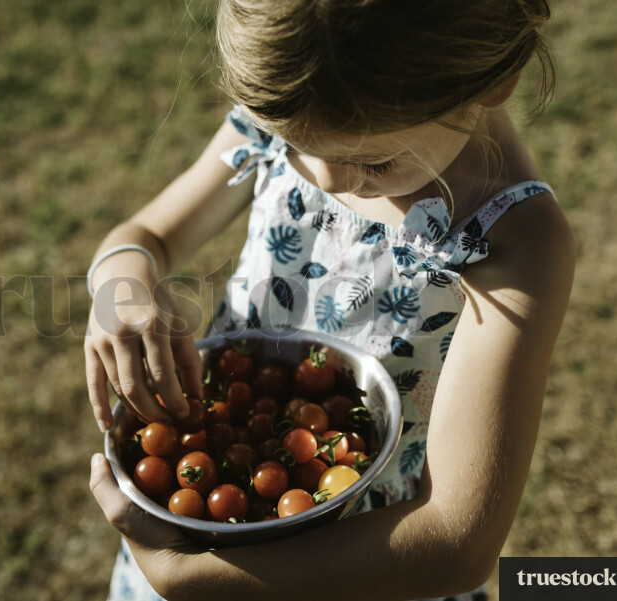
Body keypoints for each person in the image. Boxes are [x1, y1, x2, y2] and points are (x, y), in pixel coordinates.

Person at [84, 1, 575, 599]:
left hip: (360, 565)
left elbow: (456, 541)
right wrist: (121, 281)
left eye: (375, 160)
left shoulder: (514, 242)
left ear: (499, 79)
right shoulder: (296, 100)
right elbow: (150, 236)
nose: (324, 178)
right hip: (225, 501)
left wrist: (190, 579)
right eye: (293, 144)